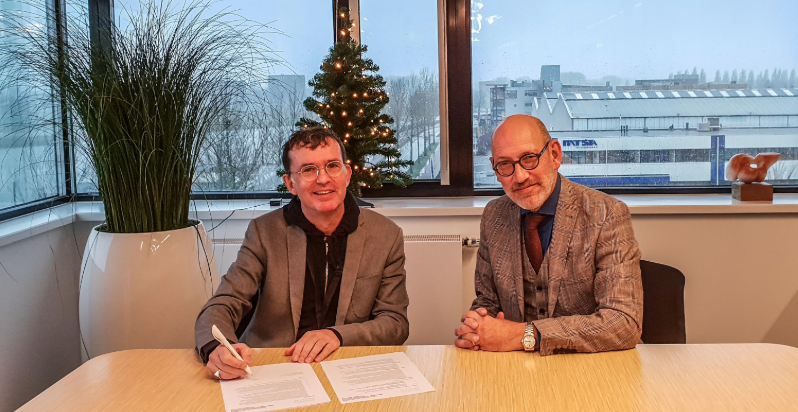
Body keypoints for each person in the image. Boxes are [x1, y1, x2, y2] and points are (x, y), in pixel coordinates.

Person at [195, 127, 409, 379]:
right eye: (308, 170)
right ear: (290, 184)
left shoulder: (386, 235)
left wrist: (337, 335)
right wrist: (217, 348)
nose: (323, 179)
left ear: (347, 174)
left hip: (349, 367)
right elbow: (223, 304)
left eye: (332, 166)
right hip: (274, 367)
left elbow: (395, 323)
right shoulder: (264, 232)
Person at [455, 115, 643, 355]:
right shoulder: (494, 215)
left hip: (590, 365)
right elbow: (487, 302)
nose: (519, 177)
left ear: (554, 154)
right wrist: (477, 329)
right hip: (517, 366)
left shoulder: (606, 214)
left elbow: (623, 323)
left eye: (529, 158)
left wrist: (524, 335)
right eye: (505, 165)